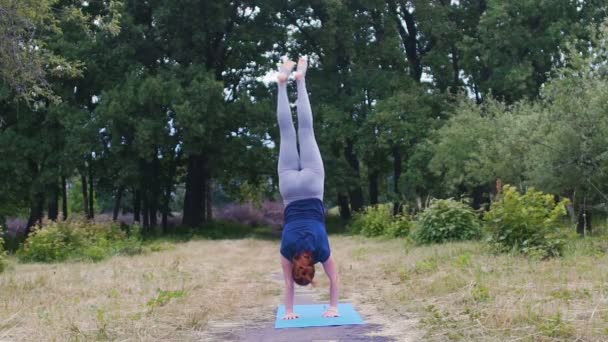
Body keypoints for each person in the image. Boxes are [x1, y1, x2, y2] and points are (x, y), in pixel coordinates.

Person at [276, 56, 340, 320]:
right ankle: (282, 84)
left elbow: (336, 279)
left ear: (312, 267)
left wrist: (333, 306)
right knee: (287, 132)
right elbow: (289, 285)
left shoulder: (321, 249)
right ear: (295, 266)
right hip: (290, 190)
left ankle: (300, 79)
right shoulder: (286, 251)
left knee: (306, 130)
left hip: (312, 187)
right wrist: (288, 310)